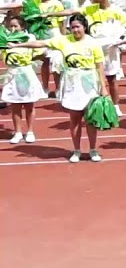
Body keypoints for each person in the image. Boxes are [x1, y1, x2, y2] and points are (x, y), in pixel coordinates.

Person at [12, 13, 109, 161]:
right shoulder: (63, 41)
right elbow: (40, 43)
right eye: (73, 27)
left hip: (89, 83)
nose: (75, 30)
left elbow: (100, 67)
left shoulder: (93, 43)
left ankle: (93, 150)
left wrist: (103, 87)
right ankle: (76, 150)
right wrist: (18, 45)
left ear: (84, 27)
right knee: (74, 118)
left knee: (90, 119)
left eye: (78, 27)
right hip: (71, 82)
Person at [2, 16, 42, 144]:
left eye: (16, 26)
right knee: (15, 105)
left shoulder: (29, 38)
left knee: (29, 104)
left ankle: (30, 131)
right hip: (12, 74)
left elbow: (39, 52)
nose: (13, 29)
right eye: (11, 26)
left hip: (26, 73)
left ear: (22, 27)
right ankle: (18, 132)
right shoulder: (5, 39)